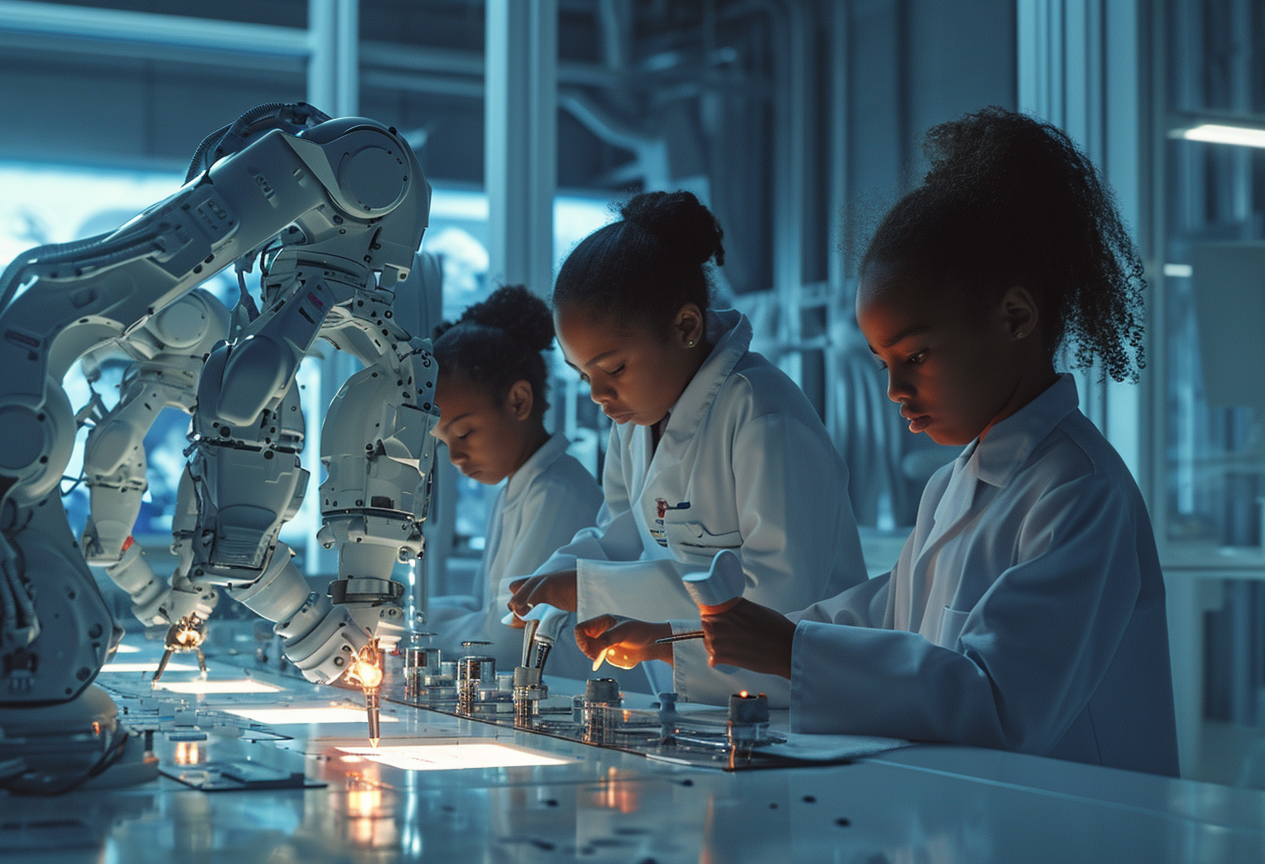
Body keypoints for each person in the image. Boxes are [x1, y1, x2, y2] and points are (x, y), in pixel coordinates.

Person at [698, 107, 1178, 776]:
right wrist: (696, 638)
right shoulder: (953, 485)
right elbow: (882, 618)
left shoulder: (1081, 492)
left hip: (1084, 828)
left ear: (1015, 317)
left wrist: (790, 648)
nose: (893, 387)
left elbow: (999, 702)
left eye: (916, 355)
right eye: (882, 361)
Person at [506, 191, 867, 704]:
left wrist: (591, 587)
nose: (599, 394)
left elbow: (777, 593)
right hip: (697, 697)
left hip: (798, 701)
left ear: (686, 327)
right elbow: (625, 534)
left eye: (614, 369)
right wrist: (554, 576)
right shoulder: (635, 420)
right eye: (584, 374)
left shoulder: (761, 411)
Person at [426, 286, 603, 670]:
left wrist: (408, 632)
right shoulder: (520, 490)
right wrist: (397, 616)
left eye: (465, 433)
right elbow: (484, 608)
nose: (455, 456)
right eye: (444, 443)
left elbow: (508, 642)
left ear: (519, 401)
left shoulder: (556, 493)